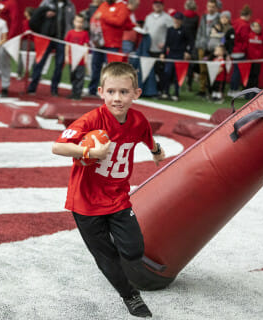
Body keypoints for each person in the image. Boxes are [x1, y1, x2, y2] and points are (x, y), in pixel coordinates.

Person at [52, 62, 165, 318]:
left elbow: (147, 137)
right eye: (112, 92)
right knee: (107, 258)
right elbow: (57, 147)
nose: (117, 98)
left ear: (136, 94)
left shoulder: (138, 120)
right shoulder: (92, 119)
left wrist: (157, 152)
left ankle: (117, 260)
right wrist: (89, 152)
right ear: (101, 92)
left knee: (134, 250)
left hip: (117, 197)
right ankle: (130, 296)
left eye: (124, 92)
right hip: (86, 201)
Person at [86, 0, 134, 98]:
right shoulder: (104, 5)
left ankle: (111, 93)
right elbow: (95, 17)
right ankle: (92, 90)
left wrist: (103, 16)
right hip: (99, 43)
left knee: (112, 71)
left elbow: (119, 21)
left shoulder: (122, 6)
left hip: (113, 44)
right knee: (95, 67)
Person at [27, 0, 76, 96]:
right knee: (39, 62)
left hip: (62, 39)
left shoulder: (70, 5)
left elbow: (72, 21)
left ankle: (54, 89)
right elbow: (36, 17)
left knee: (59, 65)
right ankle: (32, 87)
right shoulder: (46, 3)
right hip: (46, 38)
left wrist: (69, 35)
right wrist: (44, 15)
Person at [159, 11, 192, 101]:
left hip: (180, 55)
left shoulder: (185, 30)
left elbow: (190, 42)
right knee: (167, 73)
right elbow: (166, 43)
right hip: (171, 54)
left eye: (179, 19)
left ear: (181, 21)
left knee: (178, 75)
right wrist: (163, 53)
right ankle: (166, 92)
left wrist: (187, 52)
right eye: (175, 19)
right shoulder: (170, 30)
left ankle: (176, 93)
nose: (177, 21)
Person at [143, 0, 173, 96]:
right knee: (149, 70)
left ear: (163, 5)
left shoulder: (167, 18)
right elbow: (145, 31)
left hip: (160, 50)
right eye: (155, 4)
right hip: (149, 48)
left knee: (160, 71)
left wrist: (166, 44)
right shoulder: (148, 17)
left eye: (159, 4)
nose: (157, 6)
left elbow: (171, 32)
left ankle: (161, 90)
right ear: (153, 5)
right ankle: (150, 90)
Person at [195, 0, 219, 98]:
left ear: (216, 7)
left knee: (212, 69)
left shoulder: (219, 18)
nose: (211, 8)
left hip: (213, 47)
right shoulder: (204, 17)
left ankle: (212, 89)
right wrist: (198, 43)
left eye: (213, 6)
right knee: (202, 69)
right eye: (209, 6)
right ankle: (202, 89)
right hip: (202, 46)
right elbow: (200, 31)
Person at [228, 4, 252, 97]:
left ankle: (232, 89)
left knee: (235, 70)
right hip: (240, 50)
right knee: (237, 71)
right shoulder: (245, 25)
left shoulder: (235, 22)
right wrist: (245, 48)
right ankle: (234, 90)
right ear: (249, 15)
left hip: (233, 50)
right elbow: (245, 39)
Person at [64, 13, 89, 100]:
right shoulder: (70, 33)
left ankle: (78, 94)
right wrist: (66, 56)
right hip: (72, 59)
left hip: (80, 60)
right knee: (73, 76)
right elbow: (67, 45)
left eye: (81, 22)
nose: (79, 24)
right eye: (77, 21)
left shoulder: (85, 33)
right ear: (74, 22)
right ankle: (74, 92)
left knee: (79, 77)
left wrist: (86, 58)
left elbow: (86, 46)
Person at [245, 19, 263, 99]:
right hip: (249, 60)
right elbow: (245, 46)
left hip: (258, 60)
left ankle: (254, 94)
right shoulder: (249, 35)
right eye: (254, 26)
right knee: (249, 77)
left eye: (258, 26)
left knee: (255, 76)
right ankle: (247, 93)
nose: (256, 28)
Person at [182, 0, 199, 91]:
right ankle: (189, 84)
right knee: (191, 65)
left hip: (182, 42)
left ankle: (178, 82)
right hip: (192, 42)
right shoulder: (196, 17)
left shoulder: (183, 16)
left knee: (180, 63)